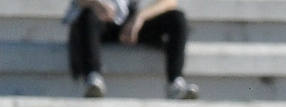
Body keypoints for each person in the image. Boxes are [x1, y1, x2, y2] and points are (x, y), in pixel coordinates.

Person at [64, 0, 198, 99]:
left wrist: (140, 17)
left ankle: (175, 82)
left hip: (134, 24)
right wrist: (96, 4)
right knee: (88, 15)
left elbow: (169, 2)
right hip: (101, 22)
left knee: (177, 18)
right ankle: (92, 77)